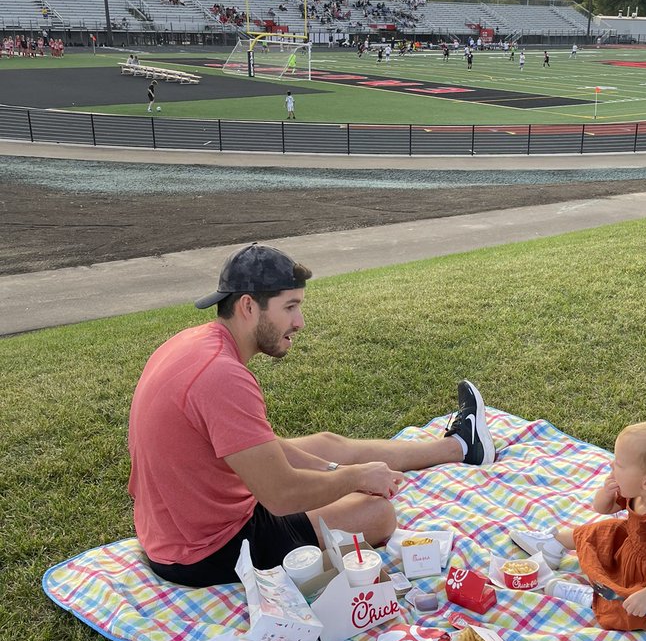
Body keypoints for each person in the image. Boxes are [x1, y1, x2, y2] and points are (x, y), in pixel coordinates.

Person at [128, 244, 495, 588]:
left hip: (173, 527)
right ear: (248, 307)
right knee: (378, 513)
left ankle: (460, 447)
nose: (300, 321)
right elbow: (282, 496)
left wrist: (331, 470)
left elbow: (254, 449)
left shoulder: (193, 343)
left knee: (326, 446)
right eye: (289, 307)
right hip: (208, 550)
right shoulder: (222, 376)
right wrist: (355, 478)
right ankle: (447, 452)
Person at [506, 421, 646, 631]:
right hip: (633, 549)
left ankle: (593, 598)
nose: (612, 466)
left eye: (619, 464)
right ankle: (552, 545)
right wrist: (606, 492)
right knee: (604, 530)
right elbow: (603, 508)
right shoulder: (643, 492)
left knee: (629, 608)